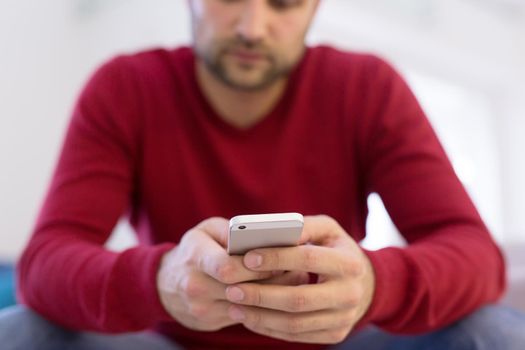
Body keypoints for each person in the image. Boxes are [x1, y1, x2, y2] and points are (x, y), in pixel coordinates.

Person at [1, 0, 524, 349]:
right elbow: (44, 265)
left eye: (284, 2)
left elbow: (476, 256)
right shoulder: (124, 88)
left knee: (493, 330)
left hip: (336, 342)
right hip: (170, 340)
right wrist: (159, 282)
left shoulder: (368, 87)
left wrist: (373, 285)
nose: (253, 28)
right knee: (20, 330)